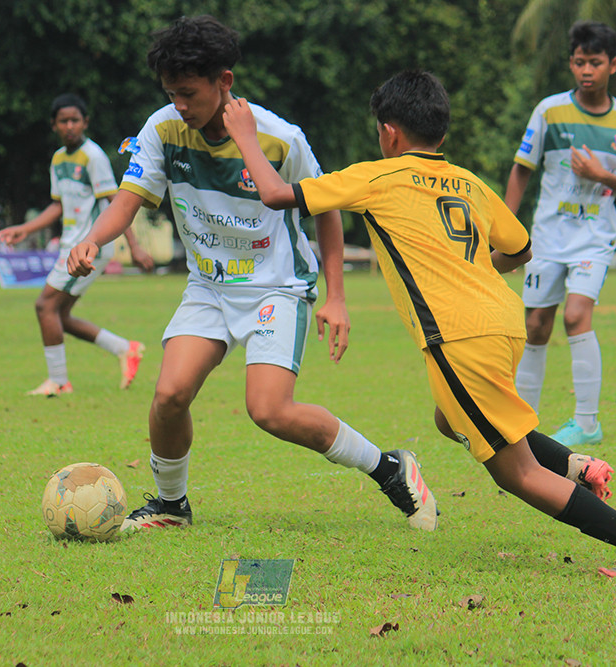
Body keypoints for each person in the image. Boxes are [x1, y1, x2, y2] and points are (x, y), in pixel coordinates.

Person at [224, 69, 616, 577]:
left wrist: (246, 136)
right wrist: (473, 273)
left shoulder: (376, 177)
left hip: (459, 337)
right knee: (450, 418)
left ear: (389, 132)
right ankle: (575, 465)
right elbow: (519, 248)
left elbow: (274, 194)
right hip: (502, 322)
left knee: (517, 475)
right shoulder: (469, 182)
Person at [67, 15, 439, 534]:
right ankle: (172, 508)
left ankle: (390, 467)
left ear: (225, 82)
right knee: (169, 396)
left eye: (189, 93)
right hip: (209, 286)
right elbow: (128, 202)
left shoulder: (280, 138)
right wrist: (93, 239)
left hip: (277, 286)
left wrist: (336, 297)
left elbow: (327, 210)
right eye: (171, 92)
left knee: (269, 411)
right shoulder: (163, 129)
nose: (179, 105)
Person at [504, 21, 616, 447]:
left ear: (613, 65)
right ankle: (523, 427)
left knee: (574, 316)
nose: (586, 70)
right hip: (548, 238)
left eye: (595, 62)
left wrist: (600, 174)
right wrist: (505, 225)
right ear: (570, 63)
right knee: (536, 325)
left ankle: (587, 423)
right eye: (578, 62)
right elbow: (521, 169)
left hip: (594, 237)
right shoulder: (549, 111)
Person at [0, 93, 153, 395]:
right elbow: (58, 206)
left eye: (75, 120)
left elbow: (116, 201)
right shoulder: (58, 159)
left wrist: (134, 246)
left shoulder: (93, 157)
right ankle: (125, 348)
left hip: (89, 247)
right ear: (54, 125)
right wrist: (24, 230)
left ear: (85, 123)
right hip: (71, 244)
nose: (70, 126)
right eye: (63, 121)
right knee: (59, 316)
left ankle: (58, 381)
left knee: (44, 306)